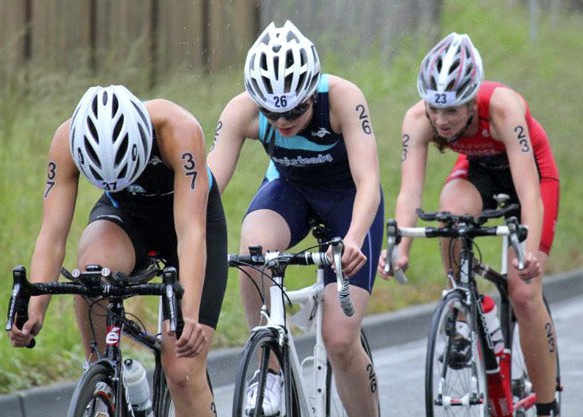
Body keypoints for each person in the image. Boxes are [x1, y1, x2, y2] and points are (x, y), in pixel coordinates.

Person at [7, 85, 227, 417]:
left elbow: (191, 232)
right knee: (93, 273)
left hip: (189, 222)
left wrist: (189, 314)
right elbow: (52, 237)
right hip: (127, 217)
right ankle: (102, 378)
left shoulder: (178, 130)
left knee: (181, 366)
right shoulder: (67, 139)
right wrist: (35, 309)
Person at [378, 33, 560, 417]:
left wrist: (527, 254)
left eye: (452, 111)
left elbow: (529, 192)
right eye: (434, 109)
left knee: (525, 292)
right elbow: (410, 193)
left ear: (472, 99)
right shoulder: (417, 119)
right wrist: (400, 250)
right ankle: (464, 305)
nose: (441, 121)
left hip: (532, 177)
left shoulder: (503, 108)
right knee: (450, 215)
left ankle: (546, 405)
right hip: (480, 171)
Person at [207, 20, 382, 416]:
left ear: (312, 90)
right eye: (272, 112)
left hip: (348, 202)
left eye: (296, 110)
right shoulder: (242, 111)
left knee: (338, 339)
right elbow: (207, 188)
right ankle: (268, 369)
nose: (283, 122)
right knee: (253, 250)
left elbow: (369, 181)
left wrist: (354, 237)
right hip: (293, 192)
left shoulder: (342, 98)